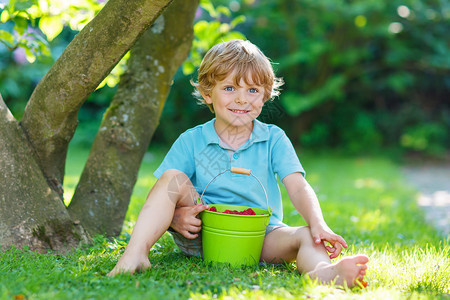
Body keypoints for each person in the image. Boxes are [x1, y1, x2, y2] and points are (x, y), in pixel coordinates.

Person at [108, 39, 369, 287]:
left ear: (265, 95)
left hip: (260, 237)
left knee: (306, 235)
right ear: (208, 93)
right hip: (204, 233)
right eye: (230, 88)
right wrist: (176, 217)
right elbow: (163, 196)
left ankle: (322, 273)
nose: (242, 99)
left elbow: (298, 187)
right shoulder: (192, 140)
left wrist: (318, 223)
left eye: (253, 90)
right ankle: (135, 253)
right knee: (171, 179)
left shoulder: (274, 139)